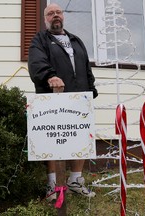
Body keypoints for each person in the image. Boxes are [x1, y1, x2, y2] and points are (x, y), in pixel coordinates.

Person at [28, 3, 98, 202]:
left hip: (79, 98)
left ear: (63, 16)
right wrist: (50, 77)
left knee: (80, 137)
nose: (55, 16)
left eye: (58, 12)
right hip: (53, 97)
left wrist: (91, 88)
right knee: (53, 139)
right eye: (50, 13)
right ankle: (52, 185)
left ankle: (75, 181)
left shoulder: (76, 40)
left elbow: (86, 67)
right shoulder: (40, 39)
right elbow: (36, 62)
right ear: (45, 19)